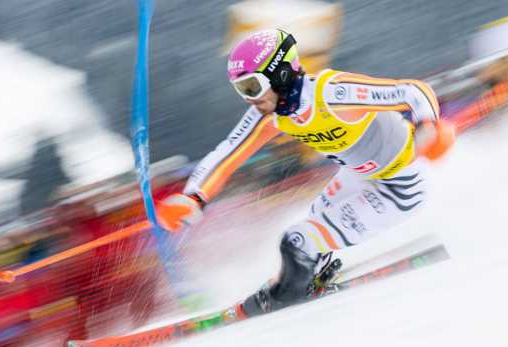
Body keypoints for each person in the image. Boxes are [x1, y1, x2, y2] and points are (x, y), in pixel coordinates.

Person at [157, 29, 454, 317]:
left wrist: (430, 126)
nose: (248, 99)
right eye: (241, 90)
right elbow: (227, 153)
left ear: (280, 75)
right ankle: (302, 281)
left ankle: (291, 295)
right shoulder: (270, 116)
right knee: (312, 223)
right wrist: (193, 197)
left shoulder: (330, 93)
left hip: (399, 187)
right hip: (359, 177)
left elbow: (412, 92)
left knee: (297, 241)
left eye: (251, 87)